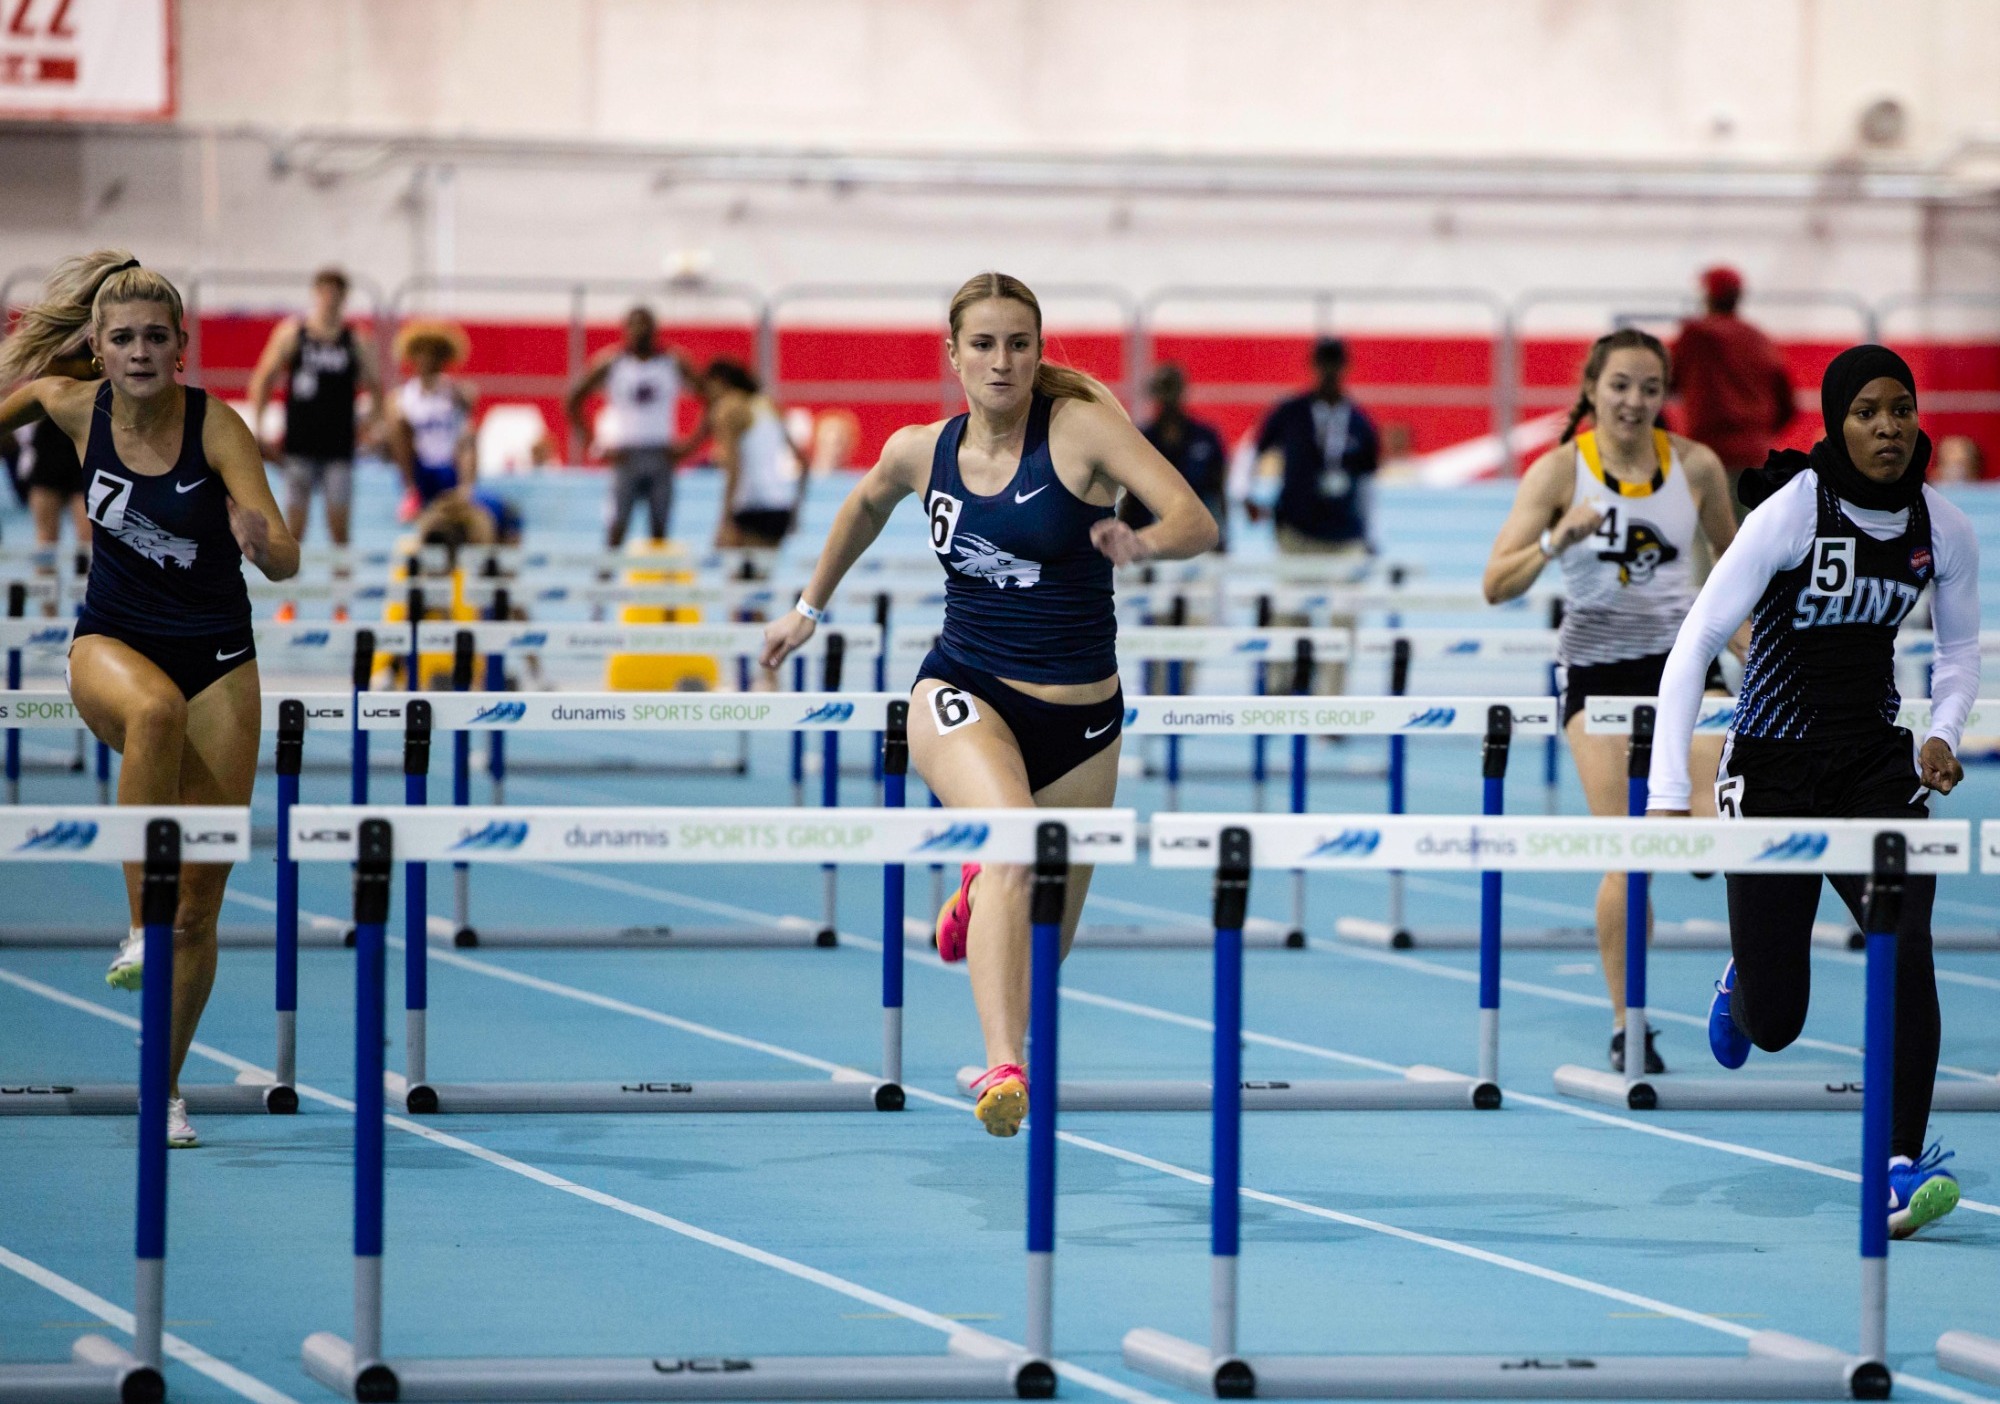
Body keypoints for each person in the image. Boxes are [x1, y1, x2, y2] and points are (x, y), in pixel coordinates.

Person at [761, 272, 1217, 1138]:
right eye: (983, 345)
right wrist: (807, 609)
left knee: (1048, 942)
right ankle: (1003, 1065)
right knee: (1015, 841)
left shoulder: (1081, 430)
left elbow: (1194, 520)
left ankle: (976, 896)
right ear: (953, 356)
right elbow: (863, 505)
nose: (1001, 362)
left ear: (1038, 352)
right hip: (963, 688)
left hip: (1083, 719)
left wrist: (1142, 540)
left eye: (1018, 344)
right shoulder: (918, 450)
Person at [1649, 344, 1977, 1240]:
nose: (1888, 427)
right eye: (1868, 411)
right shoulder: (1794, 511)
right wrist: (1666, 795)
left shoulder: (1942, 527)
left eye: (1901, 410)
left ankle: (1901, 1163)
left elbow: (1956, 655)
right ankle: (1747, 984)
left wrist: (1943, 732)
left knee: (1905, 946)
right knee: (1781, 1019)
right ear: (1837, 420)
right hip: (1774, 767)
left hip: (1877, 766)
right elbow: (1698, 640)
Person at [0, 251, 300, 1149]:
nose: (138, 352)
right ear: (97, 347)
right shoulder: (65, 402)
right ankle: (139, 929)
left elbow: (284, 557)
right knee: (153, 714)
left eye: (155, 338)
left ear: (182, 348)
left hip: (219, 655)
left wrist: (259, 539)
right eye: (121, 338)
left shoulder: (217, 427)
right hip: (111, 646)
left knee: (204, 902)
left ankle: (160, 1087)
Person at [1483, 329, 1740, 1075]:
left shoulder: (1695, 466)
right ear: (1592, 387)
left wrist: (1763, 653)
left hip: (1684, 667)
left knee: (1727, 830)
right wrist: (1555, 542)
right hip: (1596, 677)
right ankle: (1630, 1023)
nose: (1634, 401)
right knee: (1630, 852)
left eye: (1650, 388)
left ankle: (1746, 976)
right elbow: (1495, 584)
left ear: (1665, 396)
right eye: (1621, 385)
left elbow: (1737, 570)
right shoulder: (1559, 471)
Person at [1251, 337, 1380, 692]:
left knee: (1343, 622)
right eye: (1322, 364)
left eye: (1334, 364)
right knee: (1287, 616)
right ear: (1313, 366)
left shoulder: (1359, 423)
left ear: (1344, 368)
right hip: (1296, 535)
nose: (1328, 372)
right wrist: (1249, 496)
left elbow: (1369, 486)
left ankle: (1332, 706)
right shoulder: (1289, 412)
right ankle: (1278, 693)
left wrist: (1369, 536)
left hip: (1344, 539)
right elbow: (1255, 453)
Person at [245, 267, 380, 550]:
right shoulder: (293, 334)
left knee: (339, 531)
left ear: (344, 297)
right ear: (316, 294)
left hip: (338, 447)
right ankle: (289, 594)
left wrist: (370, 427)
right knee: (294, 529)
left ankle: (342, 594)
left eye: (336, 293)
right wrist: (259, 426)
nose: (330, 299)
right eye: (325, 292)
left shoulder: (355, 341)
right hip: (299, 445)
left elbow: (377, 385)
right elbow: (263, 379)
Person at [566, 306, 700, 547]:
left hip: (660, 453)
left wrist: (691, 444)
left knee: (660, 527)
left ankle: (658, 581)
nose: (641, 332)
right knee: (618, 524)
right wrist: (594, 445)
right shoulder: (612, 363)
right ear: (625, 330)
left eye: (646, 326)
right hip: (625, 454)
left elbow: (710, 399)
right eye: (635, 326)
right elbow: (574, 400)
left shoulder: (673, 362)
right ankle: (605, 581)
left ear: (656, 330)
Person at [1671, 266, 1795, 505]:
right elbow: (1787, 404)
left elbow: (1666, 382)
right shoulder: (1759, 339)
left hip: (1707, 453)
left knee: (1706, 540)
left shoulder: (1695, 335)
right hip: (1755, 457)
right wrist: (1755, 435)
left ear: (1707, 296)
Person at [13, 345, 95, 596]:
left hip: (82, 452)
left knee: (87, 542)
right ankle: (47, 619)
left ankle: (84, 610)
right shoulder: (44, 348)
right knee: (46, 541)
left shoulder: (94, 349)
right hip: (47, 453)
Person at [1119, 363, 1229, 550]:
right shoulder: (1142, 439)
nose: (1168, 400)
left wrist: (1222, 535)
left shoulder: (1205, 437)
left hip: (1195, 534)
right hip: (1148, 536)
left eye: (1172, 391)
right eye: (1164, 391)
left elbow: (1218, 489)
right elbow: (1130, 495)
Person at [704, 357, 802, 549]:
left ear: (720, 383)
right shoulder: (769, 406)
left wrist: (724, 521)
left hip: (750, 506)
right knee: (763, 575)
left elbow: (734, 468)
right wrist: (796, 512)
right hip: (780, 506)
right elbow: (804, 463)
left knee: (739, 576)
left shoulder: (728, 409)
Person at [388, 321, 476, 515]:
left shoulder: (454, 392)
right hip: (421, 469)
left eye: (434, 353)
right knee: (398, 424)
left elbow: (469, 409)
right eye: (422, 352)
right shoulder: (403, 396)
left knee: (468, 433)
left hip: (449, 467)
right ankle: (412, 493)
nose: (427, 358)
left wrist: (462, 399)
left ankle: (466, 493)